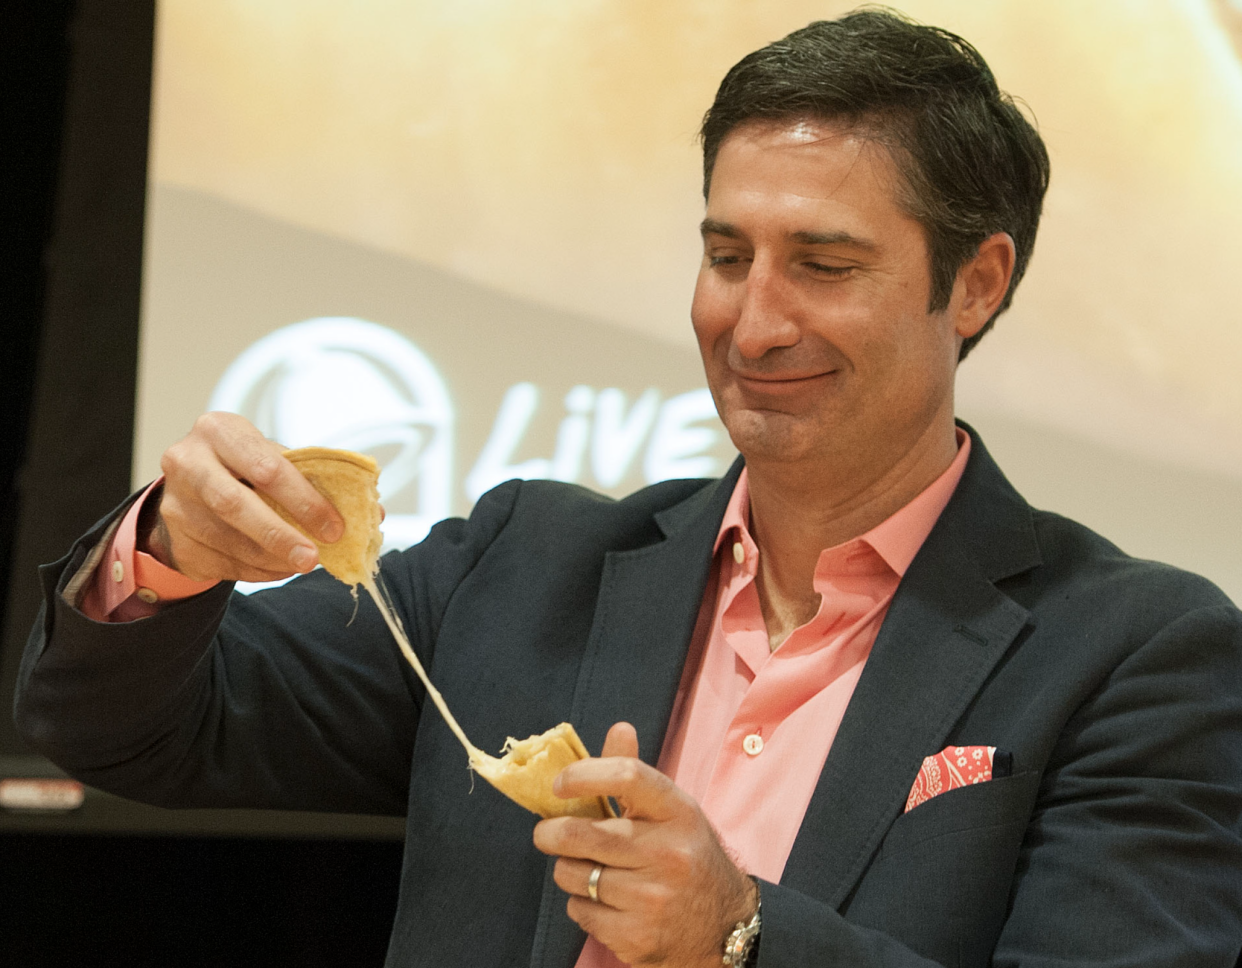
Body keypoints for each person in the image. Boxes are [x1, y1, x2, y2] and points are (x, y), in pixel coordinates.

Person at [15, 10, 1242, 968]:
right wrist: (172, 549)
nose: (753, 321)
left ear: (975, 284)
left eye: (823, 263)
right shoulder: (522, 563)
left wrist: (736, 935)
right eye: (725, 256)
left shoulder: (1139, 654)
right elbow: (129, 724)